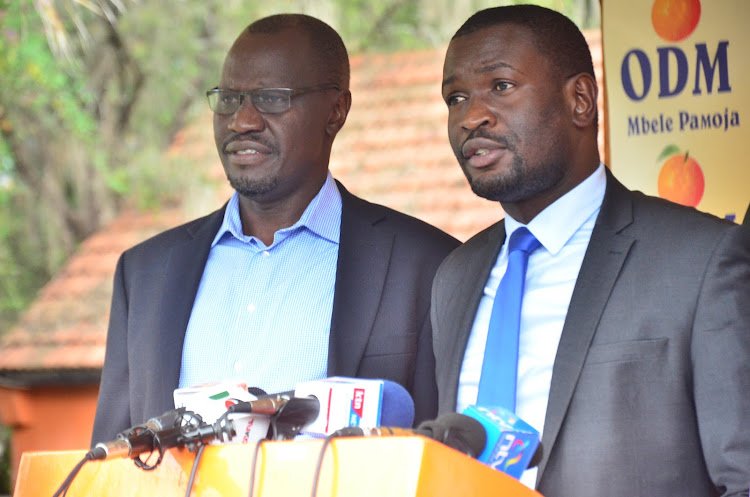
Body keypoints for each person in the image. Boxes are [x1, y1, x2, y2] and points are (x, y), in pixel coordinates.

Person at [91, 13, 459, 444]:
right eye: (228, 98)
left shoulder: (426, 265)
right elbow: (112, 461)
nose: (241, 121)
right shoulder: (145, 274)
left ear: (336, 111)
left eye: (271, 98)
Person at [431, 5, 750, 496]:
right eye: (455, 97)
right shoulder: (453, 276)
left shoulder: (703, 261)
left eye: (501, 86)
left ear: (580, 99)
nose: (471, 116)